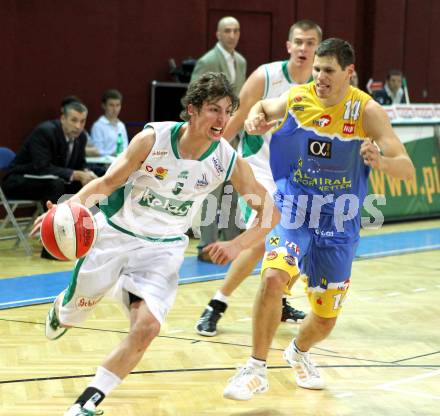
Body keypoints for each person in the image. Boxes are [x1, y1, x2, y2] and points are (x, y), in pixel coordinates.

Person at [32, 72, 279, 416]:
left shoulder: (226, 160)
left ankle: (88, 402)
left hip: (163, 250)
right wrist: (65, 209)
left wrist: (238, 245)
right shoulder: (153, 138)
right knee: (74, 314)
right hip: (116, 235)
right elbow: (107, 183)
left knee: (147, 327)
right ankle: (63, 311)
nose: (222, 120)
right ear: (192, 110)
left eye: (227, 111)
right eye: (213, 110)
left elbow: (270, 212)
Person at [223, 38, 415, 400]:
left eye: (328, 71)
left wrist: (382, 162)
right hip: (295, 206)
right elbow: (266, 105)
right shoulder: (299, 97)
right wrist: (255, 116)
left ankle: (298, 351)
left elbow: (406, 169)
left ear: (349, 72)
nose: (320, 77)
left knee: (325, 318)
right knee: (273, 278)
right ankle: (255, 369)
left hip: (340, 220)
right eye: (316, 69)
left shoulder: (367, 112)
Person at [195, 20, 322, 336]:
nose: (304, 48)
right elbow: (233, 124)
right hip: (258, 166)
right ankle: (217, 303)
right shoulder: (266, 76)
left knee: (295, 240)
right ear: (288, 46)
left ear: (317, 49)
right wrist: (209, 161)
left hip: (295, 175)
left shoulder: (323, 87)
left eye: (310, 43)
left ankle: (276, 299)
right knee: (266, 230)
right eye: (299, 42)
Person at [2, 100, 97, 258]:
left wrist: (87, 174)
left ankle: (87, 239)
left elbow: (80, 165)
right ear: (63, 119)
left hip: (51, 180)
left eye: (82, 121)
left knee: (91, 187)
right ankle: (52, 249)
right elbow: (42, 167)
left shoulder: (81, 138)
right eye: (74, 120)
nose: (79, 126)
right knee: (56, 185)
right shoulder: (45, 132)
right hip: (18, 181)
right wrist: (77, 174)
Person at [191, 16, 247, 263]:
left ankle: (233, 243)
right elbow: (194, 95)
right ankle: (208, 245)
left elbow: (241, 99)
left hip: (232, 134)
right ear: (218, 34)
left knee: (233, 190)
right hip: (210, 134)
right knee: (211, 191)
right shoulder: (207, 61)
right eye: (227, 30)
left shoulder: (242, 62)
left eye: (236, 30)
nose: (232, 35)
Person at [90, 89, 129, 156]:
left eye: (117, 105)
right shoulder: (98, 126)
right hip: (104, 164)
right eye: (111, 105)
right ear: (104, 106)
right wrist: (111, 154)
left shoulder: (121, 125)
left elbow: (126, 147)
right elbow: (97, 151)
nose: (115, 109)